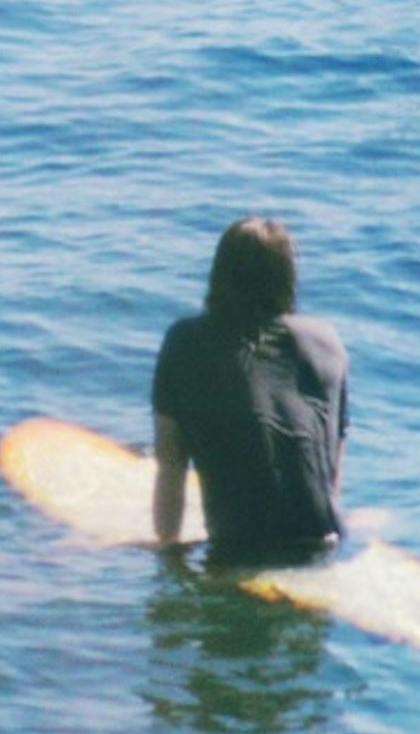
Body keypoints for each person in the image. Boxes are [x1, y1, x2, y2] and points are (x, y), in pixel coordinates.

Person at [149, 215, 348, 564]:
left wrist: (168, 553)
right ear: (288, 277)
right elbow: (331, 471)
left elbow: (172, 468)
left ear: (219, 275)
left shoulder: (185, 342)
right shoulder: (328, 342)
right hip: (326, 540)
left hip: (237, 550)